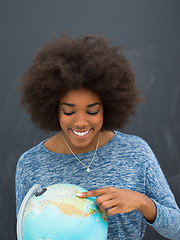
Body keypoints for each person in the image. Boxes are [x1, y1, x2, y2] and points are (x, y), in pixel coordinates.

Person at [15, 35, 180, 239]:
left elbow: (177, 229)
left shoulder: (136, 152)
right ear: (53, 109)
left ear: (108, 108)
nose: (81, 122)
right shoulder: (30, 164)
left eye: (92, 111)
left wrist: (142, 202)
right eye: (69, 112)